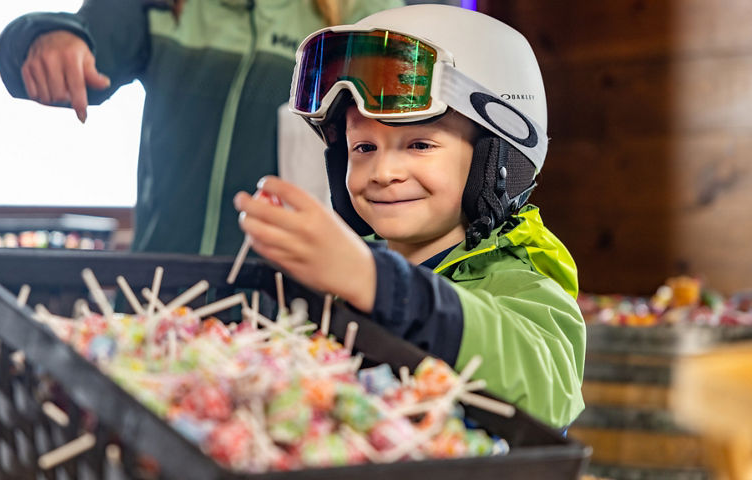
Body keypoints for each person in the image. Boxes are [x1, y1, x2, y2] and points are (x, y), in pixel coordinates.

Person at [233, 4, 585, 428]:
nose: (383, 173)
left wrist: (380, 284)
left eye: (419, 144)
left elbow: (547, 391)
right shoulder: (344, 280)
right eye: (363, 148)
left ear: (496, 160)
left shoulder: (524, 286)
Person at [0, 0, 401, 256]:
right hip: (155, 289)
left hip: (286, 310)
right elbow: (77, 45)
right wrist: (44, 37)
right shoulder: (162, 7)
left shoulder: (367, 18)